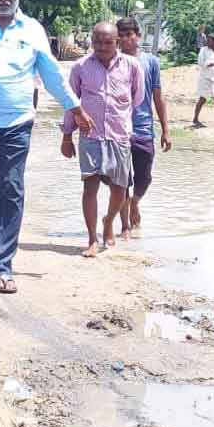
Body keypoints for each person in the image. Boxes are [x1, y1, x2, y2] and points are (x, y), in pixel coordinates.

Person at [0, 0, 92, 294]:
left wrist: (74, 107)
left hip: (15, 124)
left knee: (10, 189)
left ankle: (3, 264)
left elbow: (51, 74)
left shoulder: (32, 30)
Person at [61, 22, 145, 258]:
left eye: (107, 42)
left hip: (119, 135)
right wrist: (66, 136)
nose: (101, 47)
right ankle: (92, 239)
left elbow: (137, 98)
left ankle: (108, 222)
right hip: (90, 136)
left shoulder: (132, 66)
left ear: (117, 42)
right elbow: (71, 102)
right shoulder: (80, 67)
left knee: (120, 188)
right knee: (90, 187)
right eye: (96, 41)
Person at [115, 17, 171, 237]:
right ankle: (124, 227)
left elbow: (158, 96)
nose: (126, 39)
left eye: (130, 34)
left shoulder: (151, 62)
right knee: (120, 180)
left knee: (144, 177)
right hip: (118, 129)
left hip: (144, 128)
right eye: (121, 35)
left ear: (138, 36)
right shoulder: (113, 61)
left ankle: (135, 201)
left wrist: (166, 129)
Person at [192, 33, 214, 128]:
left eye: (209, 40)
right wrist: (212, 64)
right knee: (202, 99)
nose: (207, 42)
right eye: (207, 40)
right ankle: (195, 119)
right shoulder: (203, 50)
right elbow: (200, 63)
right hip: (205, 77)